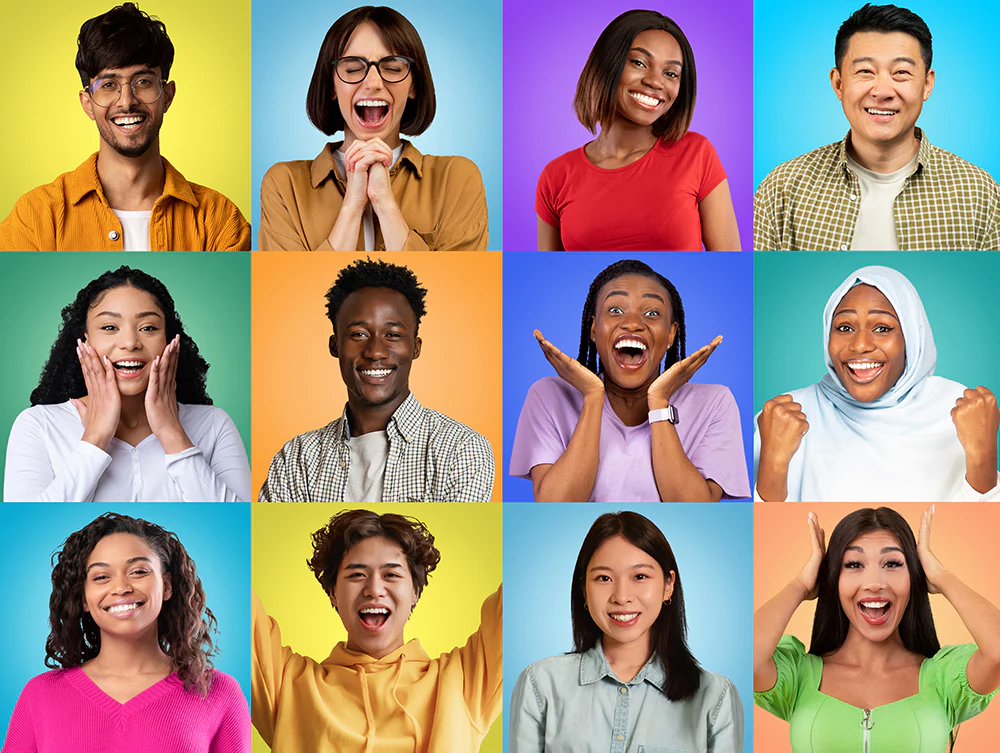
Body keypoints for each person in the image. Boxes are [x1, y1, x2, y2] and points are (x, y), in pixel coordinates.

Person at [0, 3, 250, 252]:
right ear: (88, 104)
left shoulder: (220, 220)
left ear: (168, 96)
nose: (127, 101)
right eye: (108, 84)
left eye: (143, 81)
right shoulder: (33, 218)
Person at [754, 3, 1000, 251]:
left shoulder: (979, 193)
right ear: (839, 84)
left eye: (901, 72)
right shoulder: (782, 188)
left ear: (926, 84)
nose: (882, 91)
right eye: (865, 71)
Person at [252, 509, 501, 752]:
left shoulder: (464, 681)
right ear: (333, 592)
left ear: (415, 592)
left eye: (391, 574)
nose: (374, 589)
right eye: (357, 574)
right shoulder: (287, 686)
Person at [754, 507, 1000, 752]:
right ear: (833, 579)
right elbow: (747, 660)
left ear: (914, 576)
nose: (874, 583)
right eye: (853, 564)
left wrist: (942, 577)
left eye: (892, 563)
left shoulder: (942, 679)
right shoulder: (798, 676)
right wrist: (799, 585)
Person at [1, 513, 250, 753]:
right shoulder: (39, 695)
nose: (121, 588)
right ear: (84, 599)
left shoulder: (218, 692)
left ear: (168, 586)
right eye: (101, 577)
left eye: (139, 571)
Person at [3, 266, 251, 502]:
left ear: (168, 340)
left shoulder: (215, 425)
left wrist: (171, 433)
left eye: (148, 327)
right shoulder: (38, 425)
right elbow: (35, 522)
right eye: (109, 327)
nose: (130, 342)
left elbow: (241, 522)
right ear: (85, 341)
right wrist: (96, 437)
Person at [509, 259, 749, 502]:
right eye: (615, 310)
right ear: (593, 329)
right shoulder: (549, 395)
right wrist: (593, 397)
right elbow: (555, 507)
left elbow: (696, 511)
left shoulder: (715, 402)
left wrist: (659, 402)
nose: (633, 323)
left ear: (671, 334)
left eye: (652, 313)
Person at [754, 265, 1000, 502]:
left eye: (882, 328)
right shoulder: (785, 416)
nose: (860, 345)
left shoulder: (961, 411)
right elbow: (760, 534)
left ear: (911, 340)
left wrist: (983, 458)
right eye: (845, 327)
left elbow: (983, 533)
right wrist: (773, 463)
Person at [259, 258, 494, 502]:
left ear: (415, 347)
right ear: (335, 345)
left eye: (392, 335)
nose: (375, 351)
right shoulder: (296, 459)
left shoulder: (462, 448)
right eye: (359, 334)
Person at [258, 6, 488, 251]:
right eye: (353, 69)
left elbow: (455, 287)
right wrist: (353, 204)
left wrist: (385, 202)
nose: (373, 83)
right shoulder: (284, 184)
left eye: (393, 68)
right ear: (331, 86)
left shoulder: (457, 178)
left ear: (414, 86)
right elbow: (290, 288)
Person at [509, 510, 742, 751]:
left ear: (668, 586)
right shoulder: (541, 683)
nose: (622, 597)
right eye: (603, 578)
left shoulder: (715, 696)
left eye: (639, 576)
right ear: (583, 589)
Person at [535, 10, 739, 251]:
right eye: (639, 63)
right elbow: (555, 272)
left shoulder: (697, 154)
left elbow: (731, 263)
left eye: (671, 73)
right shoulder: (556, 177)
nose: (655, 82)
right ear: (605, 64)